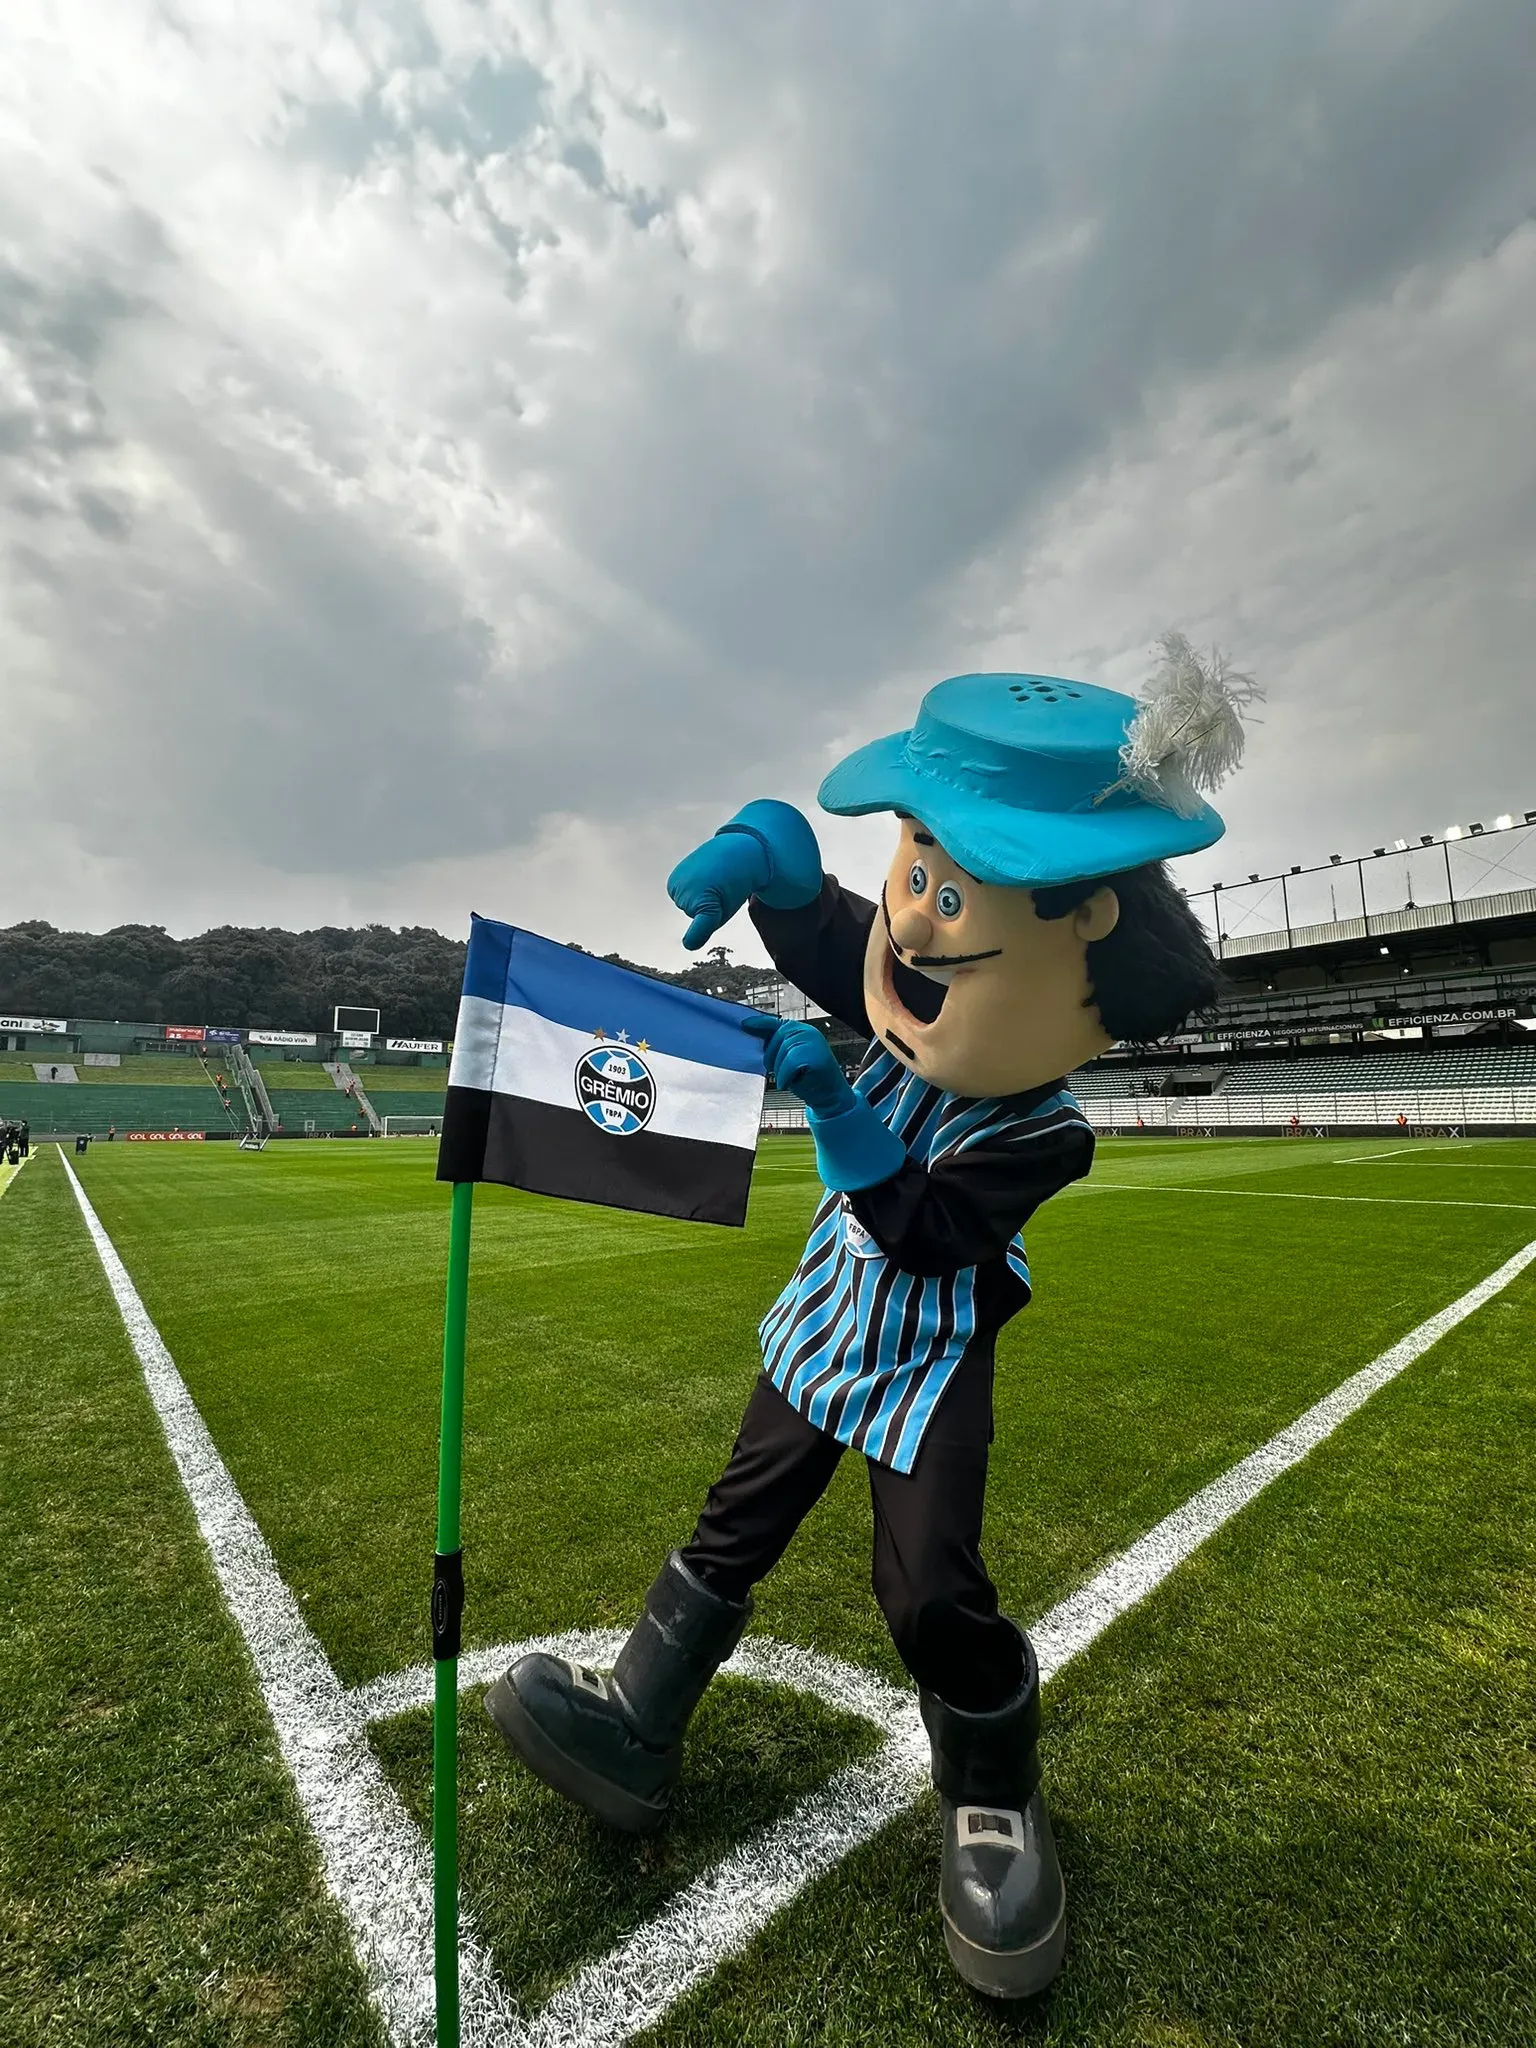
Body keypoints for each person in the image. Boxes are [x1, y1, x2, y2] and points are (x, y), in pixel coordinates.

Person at [486, 643, 1253, 1999]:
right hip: (823, 1323)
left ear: (1080, 936)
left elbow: (936, 1231)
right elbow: (853, 942)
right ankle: (637, 1724)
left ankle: (995, 1803)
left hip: (926, 1362)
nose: (913, 924)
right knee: (740, 1518)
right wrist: (777, 867)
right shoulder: (903, 962)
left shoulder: (1047, 1130)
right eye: (917, 870)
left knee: (928, 1586)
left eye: (954, 896)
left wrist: (837, 1112)